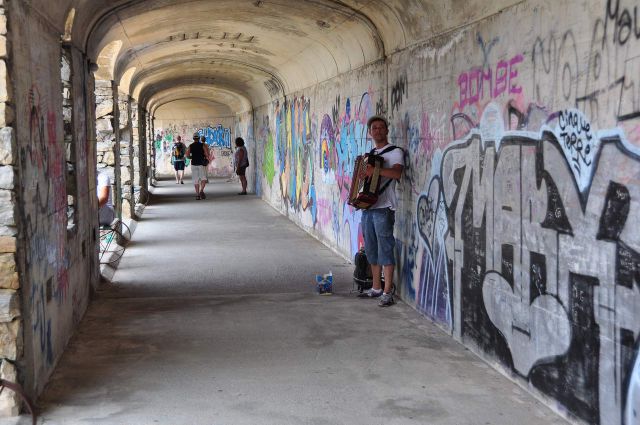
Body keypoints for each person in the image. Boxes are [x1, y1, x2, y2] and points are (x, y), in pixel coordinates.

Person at [357, 115, 404, 307]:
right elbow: (364, 179)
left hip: (384, 208)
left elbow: (397, 173)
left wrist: (374, 171)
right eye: (374, 128)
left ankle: (387, 291)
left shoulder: (395, 152)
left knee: (385, 248)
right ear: (369, 133)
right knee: (371, 249)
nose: (377, 130)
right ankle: (376, 288)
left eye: (381, 127)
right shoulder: (370, 154)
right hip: (368, 207)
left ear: (387, 130)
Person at [186, 133, 210, 200]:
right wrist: (205, 156)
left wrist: (192, 156)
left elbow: (187, 155)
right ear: (199, 138)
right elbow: (207, 154)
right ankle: (201, 190)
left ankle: (197, 195)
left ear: (193, 138)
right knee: (203, 179)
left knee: (195, 180)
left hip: (193, 164)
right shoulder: (202, 145)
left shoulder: (190, 146)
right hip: (201, 164)